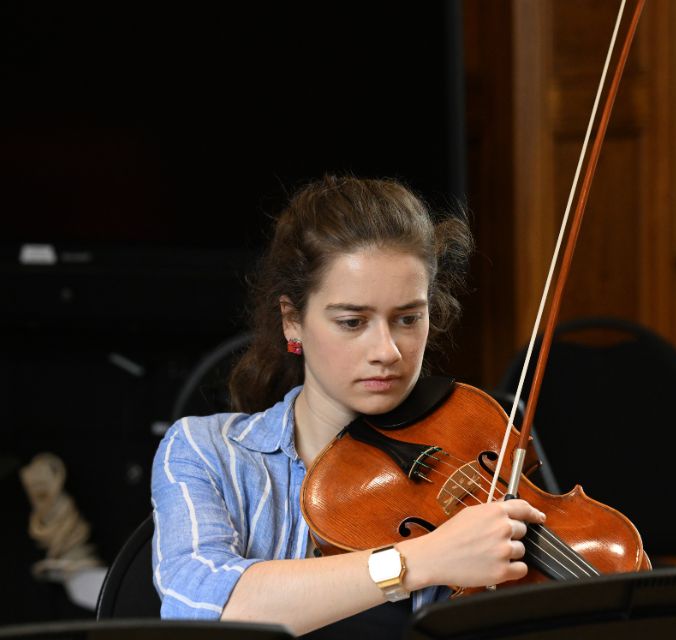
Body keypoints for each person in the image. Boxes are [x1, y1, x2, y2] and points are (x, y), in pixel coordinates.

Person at [150, 176, 546, 638]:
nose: (387, 350)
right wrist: (423, 559)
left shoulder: (476, 450)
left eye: (408, 319)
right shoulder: (208, 451)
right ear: (292, 321)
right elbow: (196, 605)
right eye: (352, 321)